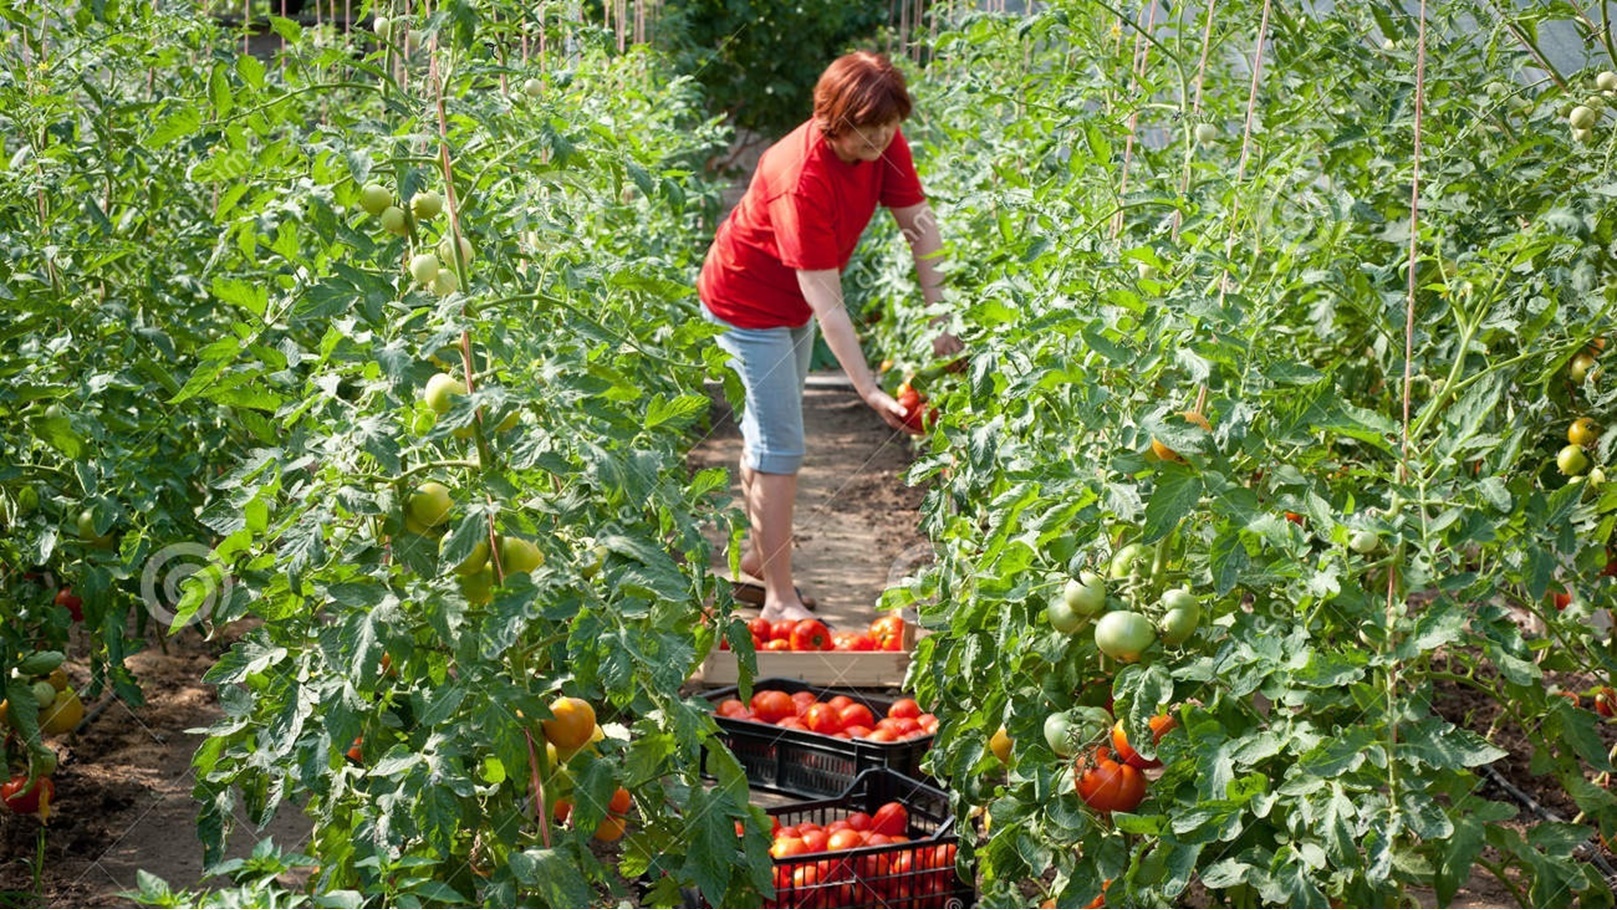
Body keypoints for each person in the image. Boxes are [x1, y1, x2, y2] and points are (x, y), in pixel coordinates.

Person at [697, 50, 961, 623]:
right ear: (830, 122)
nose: (881, 144)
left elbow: (920, 225)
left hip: (790, 303)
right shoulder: (801, 178)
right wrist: (866, 389)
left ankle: (758, 558)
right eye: (868, 134)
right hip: (747, 304)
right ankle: (779, 600)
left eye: (890, 129)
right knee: (781, 446)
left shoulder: (883, 139)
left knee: (768, 436)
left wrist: (944, 318)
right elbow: (830, 305)